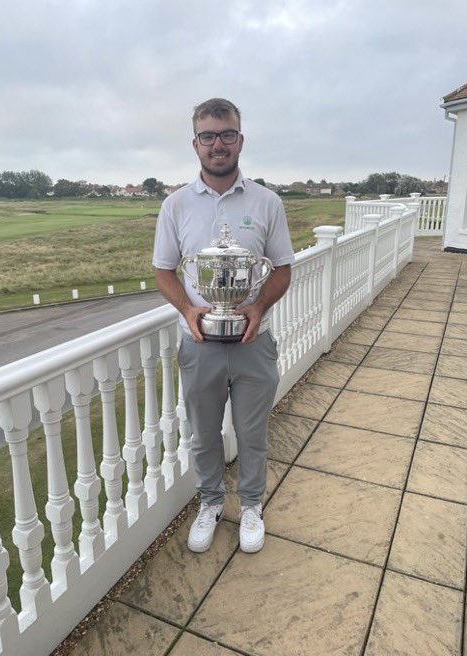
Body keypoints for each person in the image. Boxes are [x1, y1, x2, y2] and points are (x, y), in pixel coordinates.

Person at [152, 98, 294, 553]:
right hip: (199, 345)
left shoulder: (266, 202)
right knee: (203, 434)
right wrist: (187, 310)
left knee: (253, 434)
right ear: (195, 143)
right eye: (209, 136)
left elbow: (283, 269)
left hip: (255, 342)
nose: (218, 144)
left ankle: (251, 505)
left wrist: (257, 307)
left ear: (240, 140)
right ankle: (211, 502)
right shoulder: (175, 206)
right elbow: (164, 271)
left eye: (227, 134)